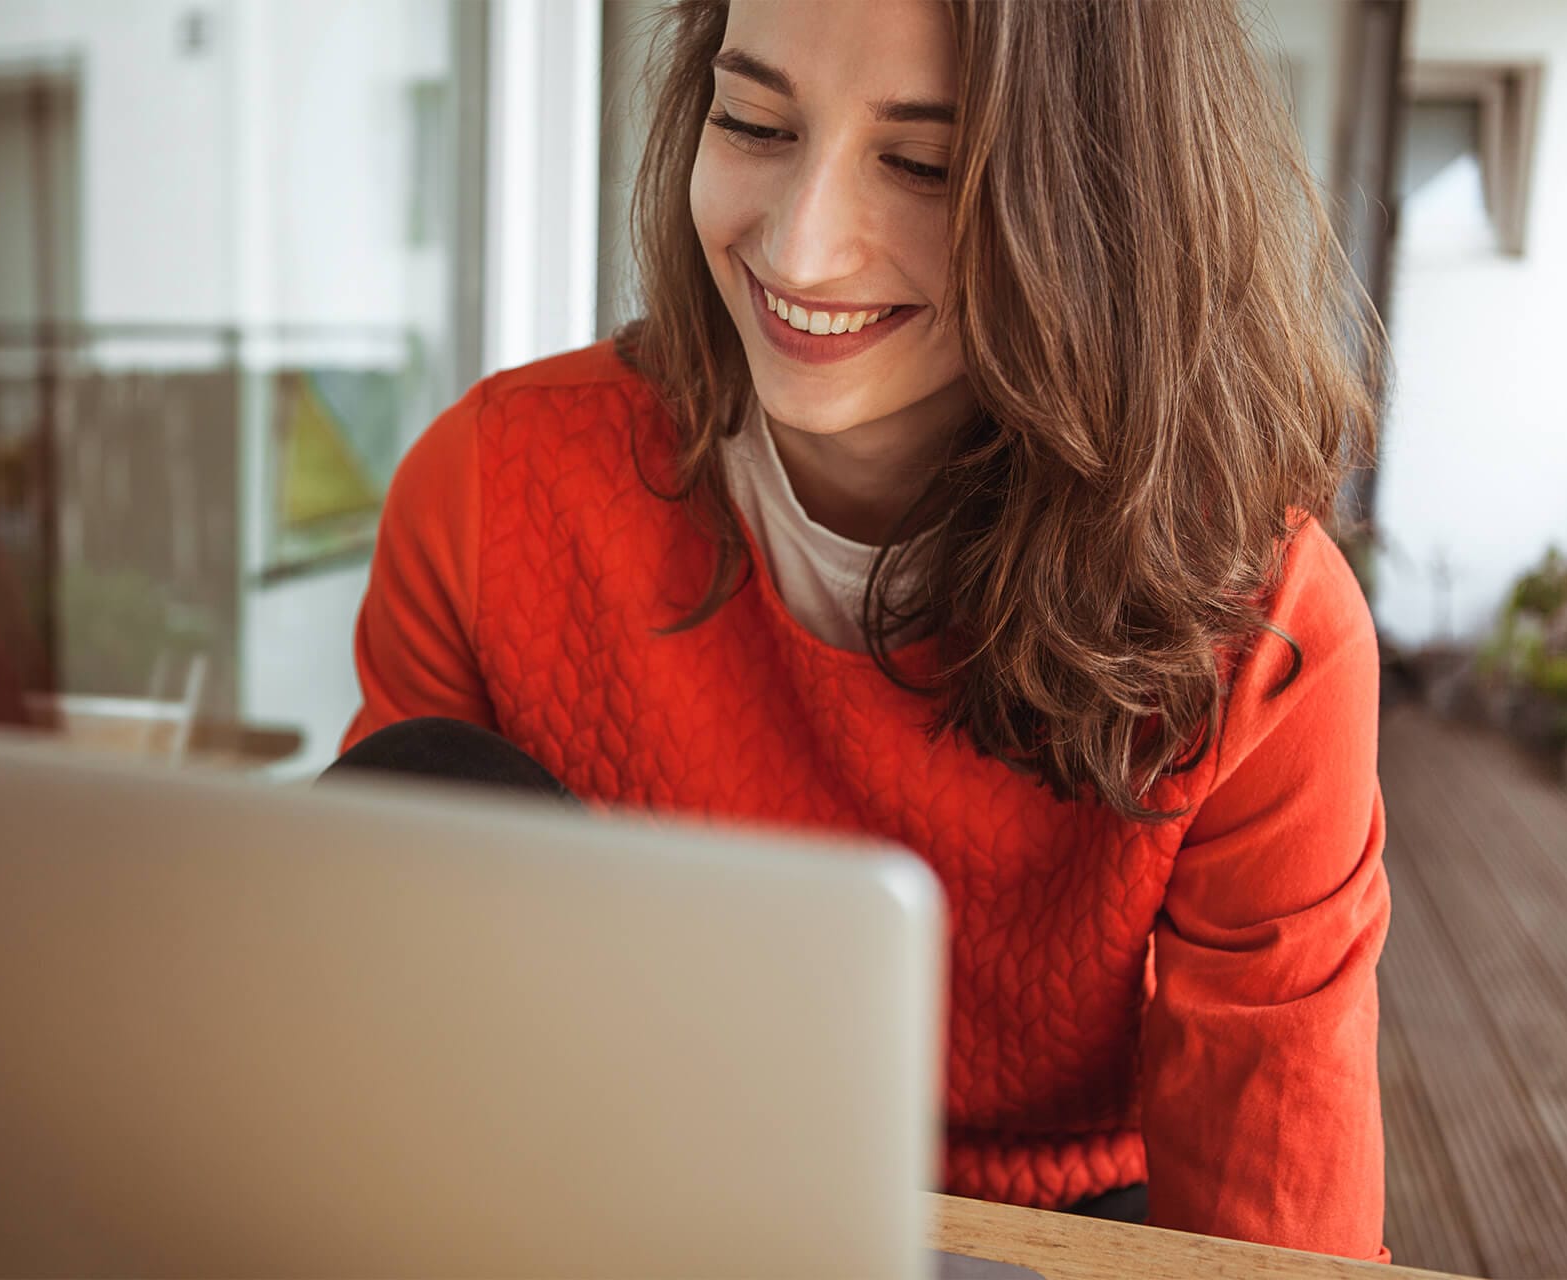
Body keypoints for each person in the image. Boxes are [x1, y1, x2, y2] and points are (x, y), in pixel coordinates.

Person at [331, 0, 1390, 1262]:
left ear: (1102, 208)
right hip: (623, 1207)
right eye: (755, 121)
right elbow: (377, 1047)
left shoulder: (1260, 626)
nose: (802, 246)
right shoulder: (488, 490)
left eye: (923, 162)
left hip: (1047, 1232)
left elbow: (1275, 1231)